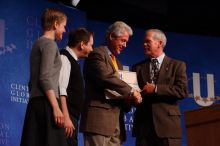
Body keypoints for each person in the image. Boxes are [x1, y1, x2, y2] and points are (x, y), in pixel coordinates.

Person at [79, 21, 142, 146]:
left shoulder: (117, 63)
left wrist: (128, 100)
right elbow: (105, 77)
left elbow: (117, 91)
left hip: (116, 123)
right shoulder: (96, 54)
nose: (125, 45)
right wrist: (131, 91)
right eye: (122, 40)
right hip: (99, 120)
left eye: (126, 42)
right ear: (112, 36)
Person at [132, 29, 188, 146]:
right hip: (144, 129)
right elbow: (135, 93)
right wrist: (134, 98)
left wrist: (156, 88)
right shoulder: (137, 67)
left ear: (160, 43)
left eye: (148, 41)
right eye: (144, 42)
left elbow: (182, 91)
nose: (144, 44)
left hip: (168, 128)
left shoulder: (177, 65)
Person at [20, 8, 67, 146]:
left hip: (35, 103)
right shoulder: (50, 44)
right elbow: (45, 77)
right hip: (47, 103)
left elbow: (32, 82)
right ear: (56, 24)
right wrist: (56, 107)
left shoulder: (37, 43)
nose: (64, 30)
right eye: (64, 26)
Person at [59, 28, 93, 146]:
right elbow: (60, 90)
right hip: (66, 117)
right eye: (90, 45)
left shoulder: (73, 61)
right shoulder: (64, 58)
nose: (92, 49)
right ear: (82, 45)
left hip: (72, 117)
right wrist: (66, 118)